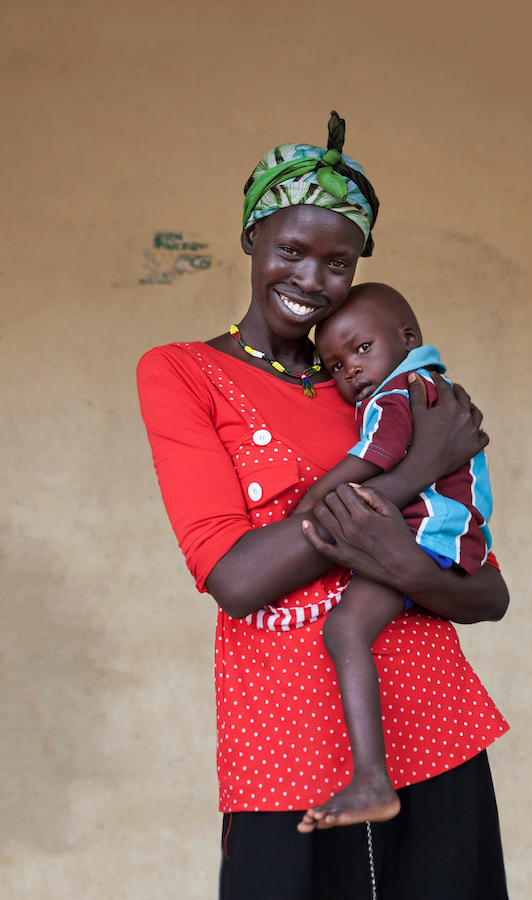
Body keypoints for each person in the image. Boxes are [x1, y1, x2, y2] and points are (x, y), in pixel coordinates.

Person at [137, 112, 510, 899]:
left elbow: (487, 592)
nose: (311, 280)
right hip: (282, 746)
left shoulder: (384, 384)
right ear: (251, 238)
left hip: (435, 727)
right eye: (291, 251)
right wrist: (416, 472)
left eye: (338, 264)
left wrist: (410, 557)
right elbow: (236, 579)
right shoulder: (183, 373)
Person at [294, 282, 493, 832]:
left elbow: (374, 457)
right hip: (448, 535)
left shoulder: (398, 391)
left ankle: (371, 780)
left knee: (344, 631)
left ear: (408, 339)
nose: (350, 371)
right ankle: (373, 777)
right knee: (350, 630)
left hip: (425, 534)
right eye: (334, 365)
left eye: (361, 350)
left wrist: (314, 500)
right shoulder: (433, 387)